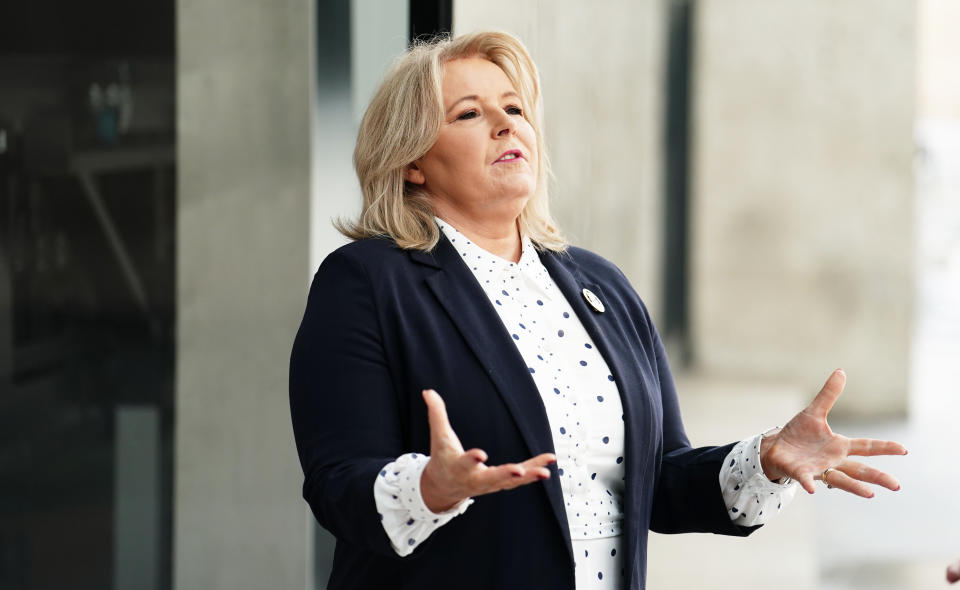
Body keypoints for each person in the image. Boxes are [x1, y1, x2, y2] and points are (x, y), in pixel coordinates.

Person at [289, 31, 907, 590]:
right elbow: (338, 483)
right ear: (412, 161)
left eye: (515, 108)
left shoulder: (598, 283)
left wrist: (766, 460)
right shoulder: (367, 283)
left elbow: (662, 484)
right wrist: (428, 489)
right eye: (470, 114)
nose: (507, 125)